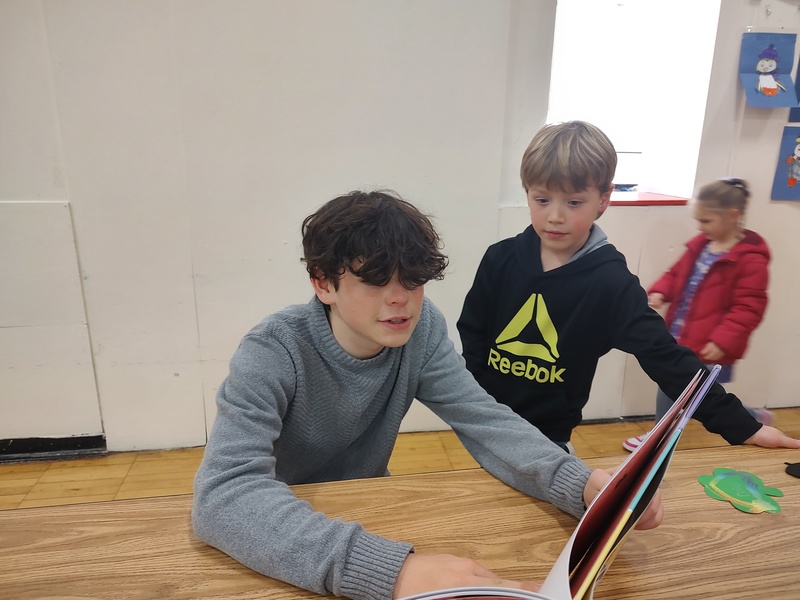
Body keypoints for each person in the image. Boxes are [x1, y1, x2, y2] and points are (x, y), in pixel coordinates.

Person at [192, 190, 663, 600]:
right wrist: (390, 570)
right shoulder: (273, 351)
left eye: (413, 280)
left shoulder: (422, 329)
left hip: (367, 515)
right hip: (275, 536)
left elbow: (484, 418)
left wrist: (579, 484)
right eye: (376, 281)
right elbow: (223, 496)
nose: (400, 299)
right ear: (323, 283)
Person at [457, 120, 800, 456]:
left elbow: (666, 358)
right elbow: (473, 334)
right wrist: (474, 406)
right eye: (542, 199)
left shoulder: (611, 283)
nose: (555, 216)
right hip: (486, 426)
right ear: (528, 193)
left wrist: (744, 425)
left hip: (549, 441)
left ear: (603, 199)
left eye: (574, 202)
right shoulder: (499, 258)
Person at [623, 178, 772, 452]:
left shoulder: (750, 260)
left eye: (706, 221)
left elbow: (749, 307)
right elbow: (676, 274)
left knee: (681, 391)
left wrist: (723, 341)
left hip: (711, 346)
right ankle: (754, 418)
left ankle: (658, 439)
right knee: (692, 395)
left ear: (732, 216)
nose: (700, 227)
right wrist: (659, 292)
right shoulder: (701, 246)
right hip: (682, 336)